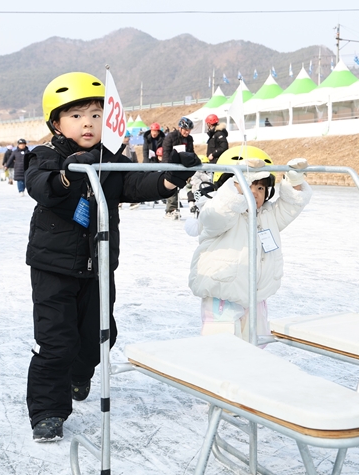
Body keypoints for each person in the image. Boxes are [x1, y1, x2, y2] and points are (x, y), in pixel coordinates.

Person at [23, 72, 199, 442]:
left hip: (99, 266)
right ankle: (48, 412)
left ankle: (80, 371)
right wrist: (71, 172)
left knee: (98, 338)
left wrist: (173, 177)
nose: (87, 123)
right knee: (56, 342)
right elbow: (42, 186)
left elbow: (138, 185)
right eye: (76, 116)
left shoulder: (111, 160)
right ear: (56, 124)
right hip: (53, 267)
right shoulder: (46, 156)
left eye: (96, 115)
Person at [188, 146, 312, 342]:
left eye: (260, 188)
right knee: (220, 346)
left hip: (256, 299)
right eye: (248, 186)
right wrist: (239, 183)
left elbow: (290, 206)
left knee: (254, 344)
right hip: (223, 299)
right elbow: (216, 215)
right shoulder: (218, 212)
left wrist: (295, 182)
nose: (254, 193)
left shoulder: (268, 215)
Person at [161, 117, 195, 219]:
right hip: (171, 165)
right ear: (180, 128)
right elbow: (166, 153)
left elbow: (191, 153)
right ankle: (171, 209)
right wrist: (168, 167)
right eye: (185, 130)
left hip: (183, 166)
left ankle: (193, 204)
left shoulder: (189, 139)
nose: (187, 132)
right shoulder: (171, 137)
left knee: (190, 184)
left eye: (189, 130)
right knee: (172, 186)